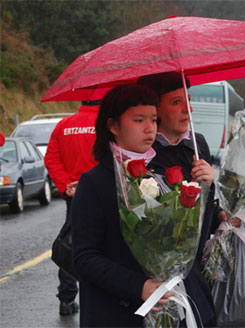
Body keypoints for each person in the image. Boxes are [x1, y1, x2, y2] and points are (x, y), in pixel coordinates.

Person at [138, 71, 240, 327]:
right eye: (176, 102)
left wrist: (217, 203)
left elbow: (207, 209)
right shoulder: (142, 153)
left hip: (194, 273)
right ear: (155, 109)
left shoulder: (198, 145)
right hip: (154, 279)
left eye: (188, 100)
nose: (188, 109)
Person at [71, 84, 176, 327]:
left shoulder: (162, 176)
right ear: (113, 126)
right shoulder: (94, 182)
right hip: (114, 314)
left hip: (165, 307)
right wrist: (139, 286)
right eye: (139, 120)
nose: (150, 128)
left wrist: (205, 190)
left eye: (153, 119)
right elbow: (85, 258)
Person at [44, 100, 100, 315]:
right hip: (102, 193)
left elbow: (52, 159)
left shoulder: (64, 125)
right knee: (103, 248)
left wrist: (65, 185)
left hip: (74, 195)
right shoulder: (109, 124)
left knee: (72, 244)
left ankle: (66, 299)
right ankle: (95, 297)